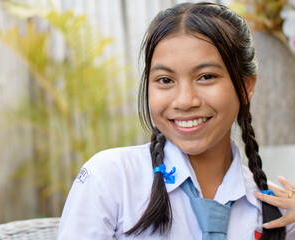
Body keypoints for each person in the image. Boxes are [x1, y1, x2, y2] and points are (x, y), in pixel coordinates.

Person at [58, 2, 295, 239]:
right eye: (165, 80)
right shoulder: (110, 181)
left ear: (246, 87)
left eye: (206, 77)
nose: (184, 101)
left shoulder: (280, 212)